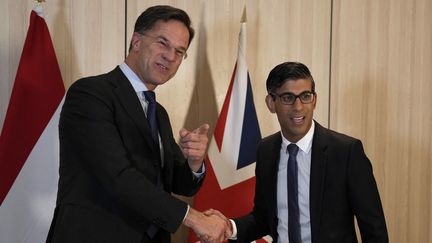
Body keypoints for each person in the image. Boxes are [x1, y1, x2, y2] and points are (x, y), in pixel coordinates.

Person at [47, 5, 231, 243]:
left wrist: (195, 163)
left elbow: (180, 184)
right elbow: (117, 176)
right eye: (162, 43)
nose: (170, 56)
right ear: (136, 41)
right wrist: (193, 218)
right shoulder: (91, 94)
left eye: (179, 51)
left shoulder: (158, 113)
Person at [206, 62, 388, 243]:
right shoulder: (265, 150)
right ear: (271, 103)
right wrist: (230, 227)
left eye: (305, 96)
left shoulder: (346, 152)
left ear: (314, 100)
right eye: (288, 97)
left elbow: (373, 229)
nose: (298, 107)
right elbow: (264, 218)